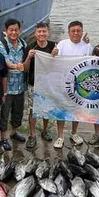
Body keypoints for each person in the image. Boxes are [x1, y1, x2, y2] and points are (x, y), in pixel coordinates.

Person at [53, 20, 93, 149]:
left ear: (82, 32)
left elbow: (91, 65)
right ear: (68, 32)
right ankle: (60, 135)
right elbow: (54, 62)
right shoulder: (62, 44)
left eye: (78, 31)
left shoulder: (87, 47)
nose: (76, 33)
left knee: (77, 110)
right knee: (61, 110)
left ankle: (74, 133)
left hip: (80, 84)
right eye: (73, 31)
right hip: (63, 83)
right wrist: (52, 55)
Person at [0, 18, 28, 151]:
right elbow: (5, 63)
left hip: (20, 86)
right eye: (11, 30)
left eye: (16, 30)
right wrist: (17, 66)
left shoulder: (23, 44)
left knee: (18, 112)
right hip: (6, 87)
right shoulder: (0, 45)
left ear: (20, 31)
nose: (14, 32)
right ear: (6, 31)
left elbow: (27, 61)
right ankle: (3, 138)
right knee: (4, 113)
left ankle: (13, 132)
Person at [24, 20, 56, 149]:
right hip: (33, 83)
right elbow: (24, 69)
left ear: (48, 33)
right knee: (32, 110)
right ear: (36, 33)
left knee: (46, 109)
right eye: (39, 31)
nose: (42, 34)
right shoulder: (30, 47)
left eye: (44, 31)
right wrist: (28, 57)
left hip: (48, 84)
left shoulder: (54, 46)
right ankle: (32, 135)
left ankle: (45, 130)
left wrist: (55, 56)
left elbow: (60, 66)